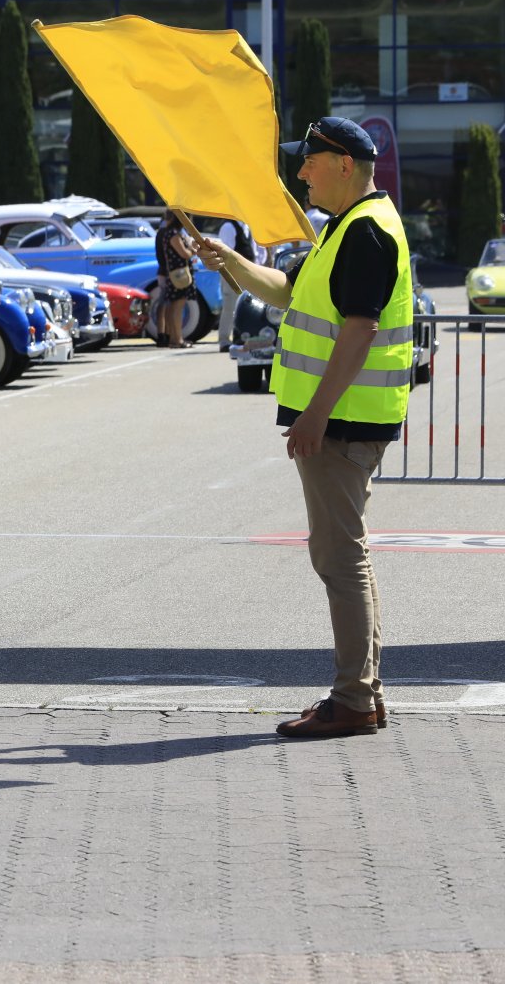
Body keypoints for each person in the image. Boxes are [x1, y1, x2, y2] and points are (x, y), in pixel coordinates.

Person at [195, 116, 411, 739]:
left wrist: (315, 413)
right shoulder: (347, 226)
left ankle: (354, 700)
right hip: (344, 418)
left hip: (342, 421)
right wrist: (232, 262)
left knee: (341, 561)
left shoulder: (365, 231)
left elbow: (360, 329)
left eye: (310, 161)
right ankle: (364, 694)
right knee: (346, 557)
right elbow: (291, 293)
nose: (300, 172)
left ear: (344, 165)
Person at [154, 210, 197, 348]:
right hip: (179, 276)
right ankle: (178, 339)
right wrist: (193, 250)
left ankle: (173, 338)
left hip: (174, 274)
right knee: (177, 308)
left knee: (174, 308)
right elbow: (184, 253)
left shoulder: (168, 232)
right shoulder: (173, 234)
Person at [215, 217, 257, 351]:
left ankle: (241, 338)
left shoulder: (246, 227)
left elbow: (253, 252)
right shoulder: (229, 226)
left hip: (246, 273)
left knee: (246, 307)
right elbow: (226, 254)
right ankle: (224, 341)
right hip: (232, 274)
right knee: (230, 307)